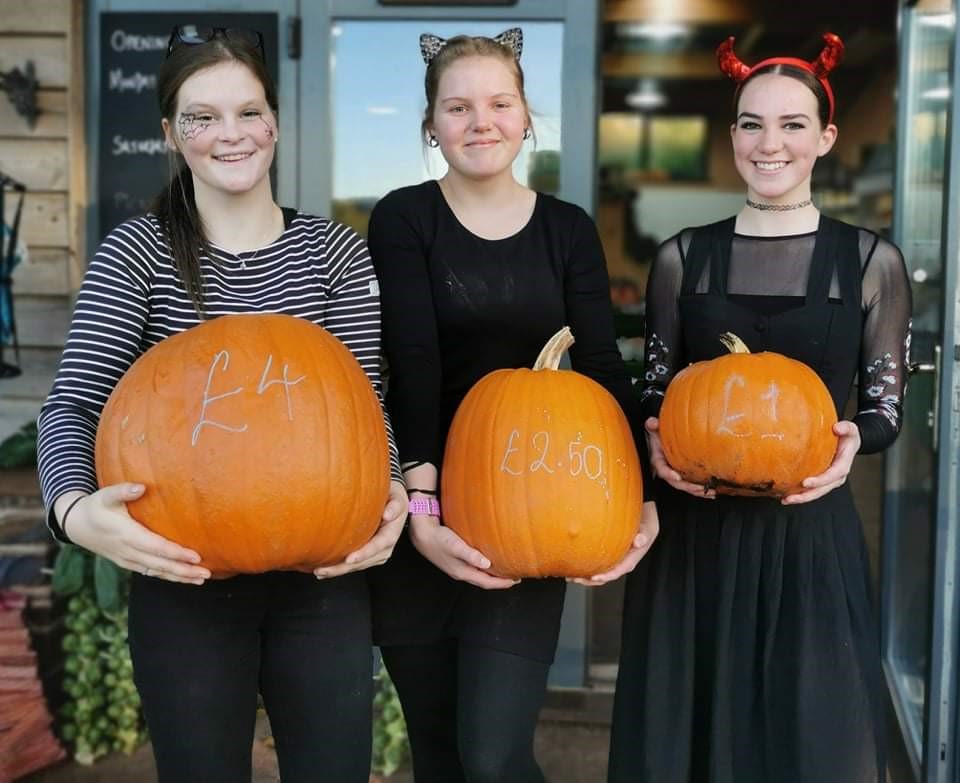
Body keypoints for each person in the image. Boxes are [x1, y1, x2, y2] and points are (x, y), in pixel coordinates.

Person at [36, 25, 407, 783]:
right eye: (203, 116)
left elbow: (366, 407)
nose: (229, 134)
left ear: (274, 120)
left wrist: (395, 489)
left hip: (323, 578)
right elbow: (72, 402)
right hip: (185, 578)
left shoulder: (337, 254)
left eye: (248, 112)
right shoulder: (138, 254)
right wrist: (73, 510)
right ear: (172, 133)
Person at [608, 33, 912, 783]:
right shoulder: (683, 257)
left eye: (791, 124)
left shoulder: (872, 263)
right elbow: (656, 385)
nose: (768, 143)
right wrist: (653, 439)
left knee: (808, 740)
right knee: (690, 739)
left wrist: (850, 443)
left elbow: (884, 406)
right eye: (751, 123)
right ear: (733, 133)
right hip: (696, 536)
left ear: (825, 138)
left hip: (808, 534)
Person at [365, 28, 659, 783]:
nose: (480, 121)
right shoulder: (404, 219)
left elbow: (597, 365)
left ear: (527, 116)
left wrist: (643, 496)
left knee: (493, 757)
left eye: (500, 102)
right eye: (457, 107)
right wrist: (424, 512)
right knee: (436, 752)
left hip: (523, 512)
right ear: (431, 124)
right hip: (420, 518)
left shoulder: (567, 230)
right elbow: (415, 359)